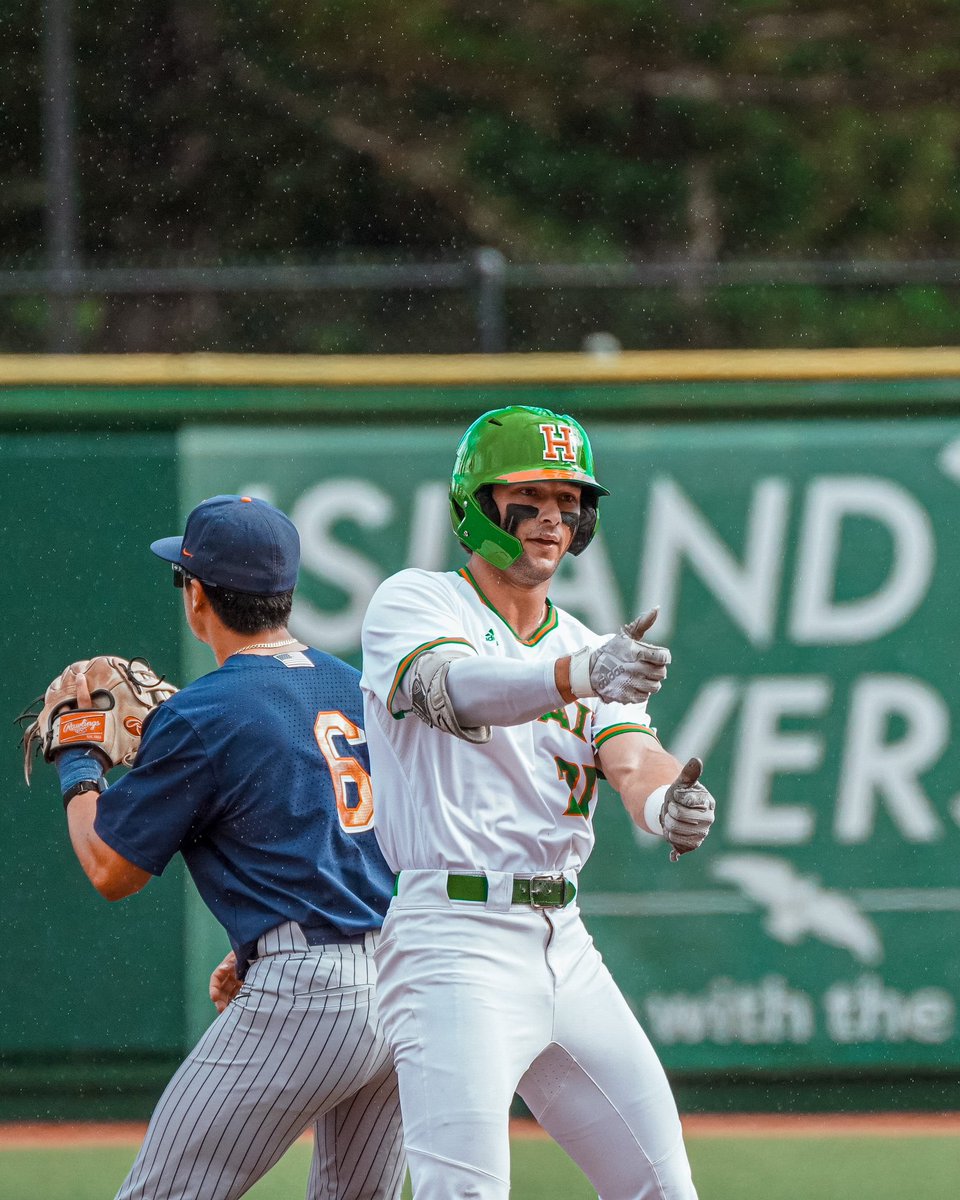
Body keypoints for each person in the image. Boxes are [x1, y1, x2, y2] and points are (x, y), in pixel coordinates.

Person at [360, 406, 716, 1200]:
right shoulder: (416, 602)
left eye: (570, 498)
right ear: (476, 504)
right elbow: (454, 689)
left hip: (563, 940)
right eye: (531, 494)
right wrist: (580, 674)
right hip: (452, 936)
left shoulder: (583, 643)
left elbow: (633, 756)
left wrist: (664, 804)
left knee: (663, 1187)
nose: (554, 515)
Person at [45, 494, 404, 1200]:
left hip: (309, 997)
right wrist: (257, 945)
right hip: (401, 980)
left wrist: (79, 761)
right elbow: (352, 837)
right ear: (287, 594)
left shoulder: (204, 713)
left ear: (197, 595)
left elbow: (110, 869)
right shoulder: (354, 687)